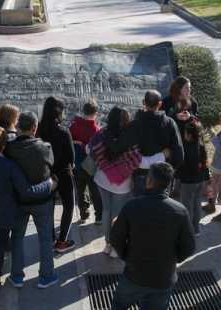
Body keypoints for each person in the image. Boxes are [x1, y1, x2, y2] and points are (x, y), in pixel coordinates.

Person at [108, 162, 196, 310]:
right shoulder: (179, 211)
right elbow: (189, 247)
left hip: (134, 273)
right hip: (163, 278)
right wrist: (172, 259)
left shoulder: (132, 206)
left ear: (148, 181)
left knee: (120, 305)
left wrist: (126, 256)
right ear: (169, 185)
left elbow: (115, 238)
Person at [0, 128, 56, 294]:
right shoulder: (9, 166)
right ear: (4, 146)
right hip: (1, 215)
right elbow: (27, 191)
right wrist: (49, 185)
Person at [5, 111, 59, 289]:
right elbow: (51, 166)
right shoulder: (46, 147)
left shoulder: (10, 148)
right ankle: (46, 276)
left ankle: (17, 276)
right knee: (45, 238)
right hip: (42, 200)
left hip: (19, 201)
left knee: (17, 238)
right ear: (35, 128)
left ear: (19, 127)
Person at [109, 90, 184, 197]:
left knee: (142, 210)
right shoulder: (170, 123)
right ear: (160, 104)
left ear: (144, 102)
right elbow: (179, 155)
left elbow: (119, 147)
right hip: (163, 174)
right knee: (161, 210)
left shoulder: (135, 125)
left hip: (141, 175)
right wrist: (169, 167)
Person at [90, 107, 141, 258]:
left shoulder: (102, 133)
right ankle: (115, 247)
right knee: (117, 215)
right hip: (122, 182)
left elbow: (89, 149)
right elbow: (136, 158)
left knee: (106, 211)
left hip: (101, 177)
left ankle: (107, 244)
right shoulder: (130, 135)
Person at [37, 97, 78, 253]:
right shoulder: (63, 131)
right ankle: (62, 242)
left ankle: (50, 239)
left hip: (46, 174)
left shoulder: (39, 130)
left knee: (49, 208)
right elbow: (71, 158)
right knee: (68, 207)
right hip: (64, 174)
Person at [70, 98, 102, 224]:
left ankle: (84, 215)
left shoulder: (74, 125)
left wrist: (78, 143)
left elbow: (70, 140)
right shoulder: (97, 130)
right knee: (95, 190)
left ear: (83, 112)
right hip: (92, 165)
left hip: (78, 163)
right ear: (95, 113)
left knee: (80, 189)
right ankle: (99, 216)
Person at [177, 121, 210, 236]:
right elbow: (205, 163)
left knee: (187, 206)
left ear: (189, 135)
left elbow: (182, 166)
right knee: (196, 204)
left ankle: (188, 230)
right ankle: (196, 228)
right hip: (199, 180)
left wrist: (178, 177)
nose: (184, 134)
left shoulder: (185, 148)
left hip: (188, 181)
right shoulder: (200, 145)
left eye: (185, 132)